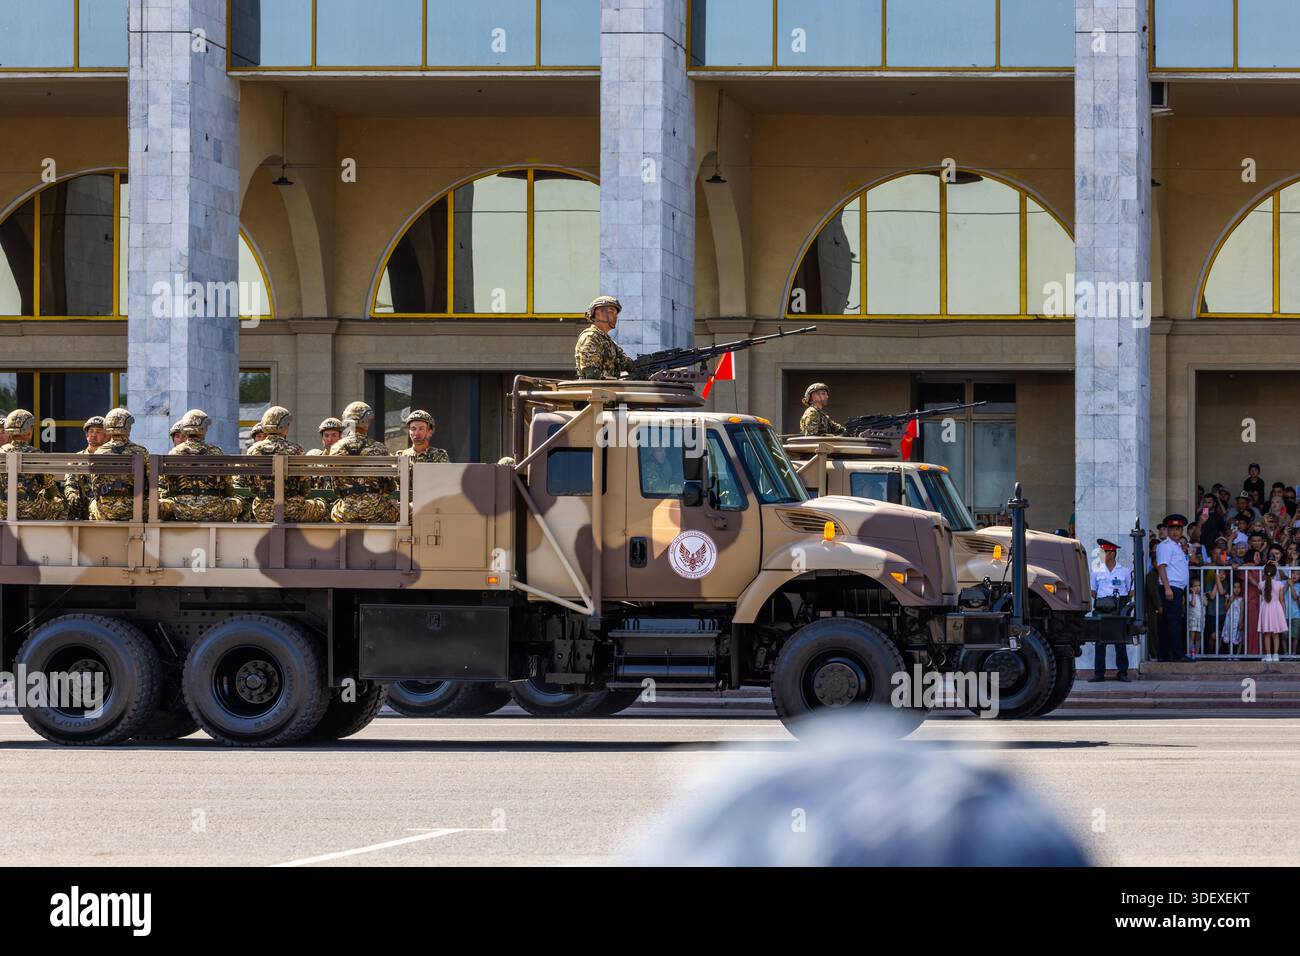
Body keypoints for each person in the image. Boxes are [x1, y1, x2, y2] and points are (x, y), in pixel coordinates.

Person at [244, 406, 326, 523]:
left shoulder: (253, 450)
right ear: (285, 427)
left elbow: (251, 485)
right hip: (293, 510)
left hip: (262, 511)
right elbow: (305, 488)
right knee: (321, 506)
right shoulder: (296, 450)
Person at [158, 409, 242, 522]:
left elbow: (167, 483)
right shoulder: (216, 452)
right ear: (204, 429)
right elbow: (227, 486)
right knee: (237, 503)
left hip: (182, 511)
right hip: (214, 511)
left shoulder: (174, 453)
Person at [329, 401, 397, 523]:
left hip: (345, 513)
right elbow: (390, 486)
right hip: (377, 512)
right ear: (366, 422)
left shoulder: (335, 448)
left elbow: (335, 488)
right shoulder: (379, 448)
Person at [0, 409, 67, 520]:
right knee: (61, 505)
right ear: (29, 431)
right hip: (30, 510)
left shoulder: (1, 452)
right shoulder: (36, 454)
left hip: (2, 511)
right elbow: (49, 486)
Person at [89, 408, 149, 521]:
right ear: (127, 427)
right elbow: (149, 483)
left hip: (106, 512)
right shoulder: (141, 452)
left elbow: (95, 485)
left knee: (92, 504)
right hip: (135, 511)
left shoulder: (99, 453)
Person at [1088, 538, 1132, 681]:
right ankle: (1099, 674)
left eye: (1104, 552)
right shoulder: (1096, 571)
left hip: (1118, 609)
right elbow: (1092, 592)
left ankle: (1123, 672)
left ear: (1112, 554)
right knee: (1100, 642)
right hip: (1102, 608)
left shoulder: (1125, 571)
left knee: (1120, 642)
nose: (1101, 555)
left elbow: (1132, 590)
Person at [1155, 514, 1190, 662]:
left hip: (1177, 588)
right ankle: (1176, 654)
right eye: (1172, 529)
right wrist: (1168, 588)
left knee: (1172, 621)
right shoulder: (1165, 546)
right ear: (1167, 530)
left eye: (1178, 529)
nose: (1175, 532)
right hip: (1170, 588)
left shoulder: (1176, 546)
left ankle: (1168, 654)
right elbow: (1161, 568)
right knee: (1172, 622)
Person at [574, 295, 633, 380]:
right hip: (595, 391)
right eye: (611, 312)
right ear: (597, 313)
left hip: (608, 390)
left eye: (616, 314)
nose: (615, 316)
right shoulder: (590, 337)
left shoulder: (609, 342)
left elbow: (628, 364)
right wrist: (618, 381)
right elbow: (591, 374)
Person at [62, 415, 106, 520]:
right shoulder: (77, 459)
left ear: (106, 435)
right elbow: (70, 484)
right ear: (87, 435)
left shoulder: (111, 458)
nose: (94, 435)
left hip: (105, 509)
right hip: (82, 510)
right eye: (91, 431)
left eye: (98, 431)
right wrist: (73, 496)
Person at [1258, 560, 1287, 663]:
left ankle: (1268, 655)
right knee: (1276, 634)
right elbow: (1282, 600)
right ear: (1276, 573)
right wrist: (1283, 613)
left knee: (1267, 634)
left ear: (1264, 573)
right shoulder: (1280, 584)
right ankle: (1276, 656)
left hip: (1266, 609)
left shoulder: (1261, 584)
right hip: (1277, 609)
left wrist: (1266, 565)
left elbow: (1262, 593)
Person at [1186, 577, 1204, 660]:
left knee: (1198, 637)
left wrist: (1202, 596)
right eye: (1195, 586)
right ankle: (1191, 653)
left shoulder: (1201, 596)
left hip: (1200, 619)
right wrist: (1193, 593)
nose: (1198, 587)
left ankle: (1197, 653)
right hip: (1193, 619)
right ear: (1191, 588)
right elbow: (1193, 604)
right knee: (1192, 637)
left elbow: (1206, 603)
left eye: (1199, 585)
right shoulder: (1190, 596)